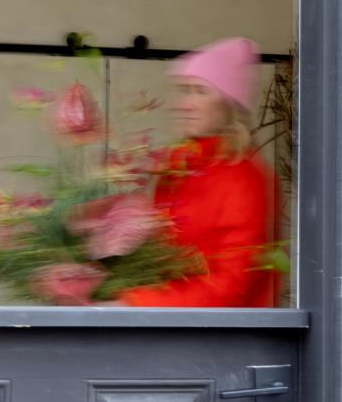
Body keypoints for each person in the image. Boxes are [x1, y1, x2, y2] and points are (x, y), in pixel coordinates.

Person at [118, 37, 277, 307]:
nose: (183, 104)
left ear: (228, 105)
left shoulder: (243, 176)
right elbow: (157, 261)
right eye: (182, 90)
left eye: (200, 91)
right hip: (169, 324)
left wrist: (134, 302)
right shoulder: (174, 168)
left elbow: (232, 286)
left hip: (218, 331)